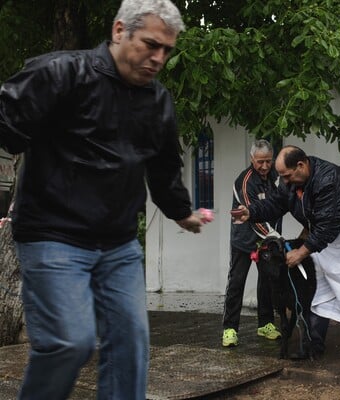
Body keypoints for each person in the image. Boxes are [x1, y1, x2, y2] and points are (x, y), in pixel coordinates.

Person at [0, 1, 204, 399]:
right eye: (150, 44)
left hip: (118, 245)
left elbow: (163, 167)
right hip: (52, 236)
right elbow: (6, 119)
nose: (159, 57)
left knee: (131, 344)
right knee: (69, 342)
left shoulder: (157, 101)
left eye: (167, 50)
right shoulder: (61, 73)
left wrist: (182, 213)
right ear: (118, 31)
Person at [231, 145, 340, 365]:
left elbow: (329, 225)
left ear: (301, 165)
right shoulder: (290, 182)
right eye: (282, 176)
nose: (284, 181)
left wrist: (302, 252)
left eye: (287, 175)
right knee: (316, 289)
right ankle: (312, 343)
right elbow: (275, 204)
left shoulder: (328, 179)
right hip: (321, 237)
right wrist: (251, 211)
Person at [222, 139, 282, 347]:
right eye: (260, 162)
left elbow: (279, 204)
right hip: (244, 239)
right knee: (237, 283)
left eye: (268, 161)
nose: (264, 166)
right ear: (252, 159)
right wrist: (276, 237)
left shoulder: (275, 176)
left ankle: (265, 324)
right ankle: (230, 329)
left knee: (267, 280)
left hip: (266, 239)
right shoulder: (244, 182)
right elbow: (252, 216)